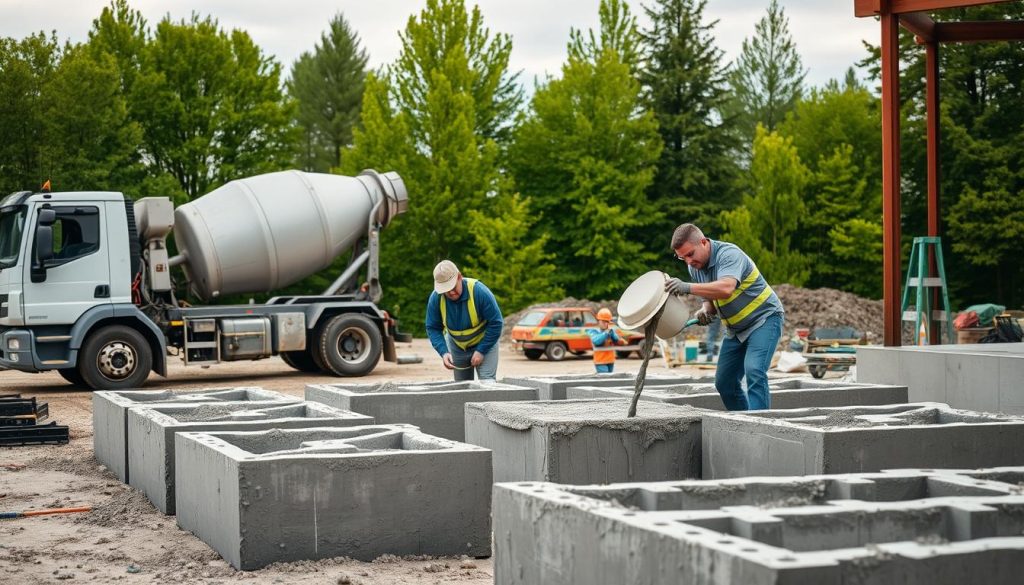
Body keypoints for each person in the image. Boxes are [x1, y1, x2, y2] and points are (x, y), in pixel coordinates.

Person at [664, 224, 785, 410]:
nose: (688, 261)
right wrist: (705, 310)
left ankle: (761, 427)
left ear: (703, 242)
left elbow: (726, 288)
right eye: (682, 258)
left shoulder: (729, 255)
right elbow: (710, 300)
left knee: (754, 370)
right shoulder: (695, 268)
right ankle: (744, 423)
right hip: (736, 329)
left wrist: (687, 287)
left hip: (764, 319)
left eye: (690, 254)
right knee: (724, 382)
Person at [425, 260, 503, 380]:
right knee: (462, 386)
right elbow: (433, 327)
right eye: (446, 290)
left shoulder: (480, 292)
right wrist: (444, 352)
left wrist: (481, 350)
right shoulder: (436, 298)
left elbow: (496, 323)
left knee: (487, 382)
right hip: (457, 346)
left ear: (459, 277)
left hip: (485, 342)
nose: (451, 292)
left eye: (453, 287)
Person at [588, 308, 627, 373]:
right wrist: (606, 333)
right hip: (600, 361)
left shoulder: (611, 331)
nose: (605, 323)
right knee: (605, 380)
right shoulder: (593, 331)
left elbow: (617, 340)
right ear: (598, 320)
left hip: (610, 360)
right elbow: (596, 341)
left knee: (610, 380)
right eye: (603, 321)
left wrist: (618, 338)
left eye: (607, 321)